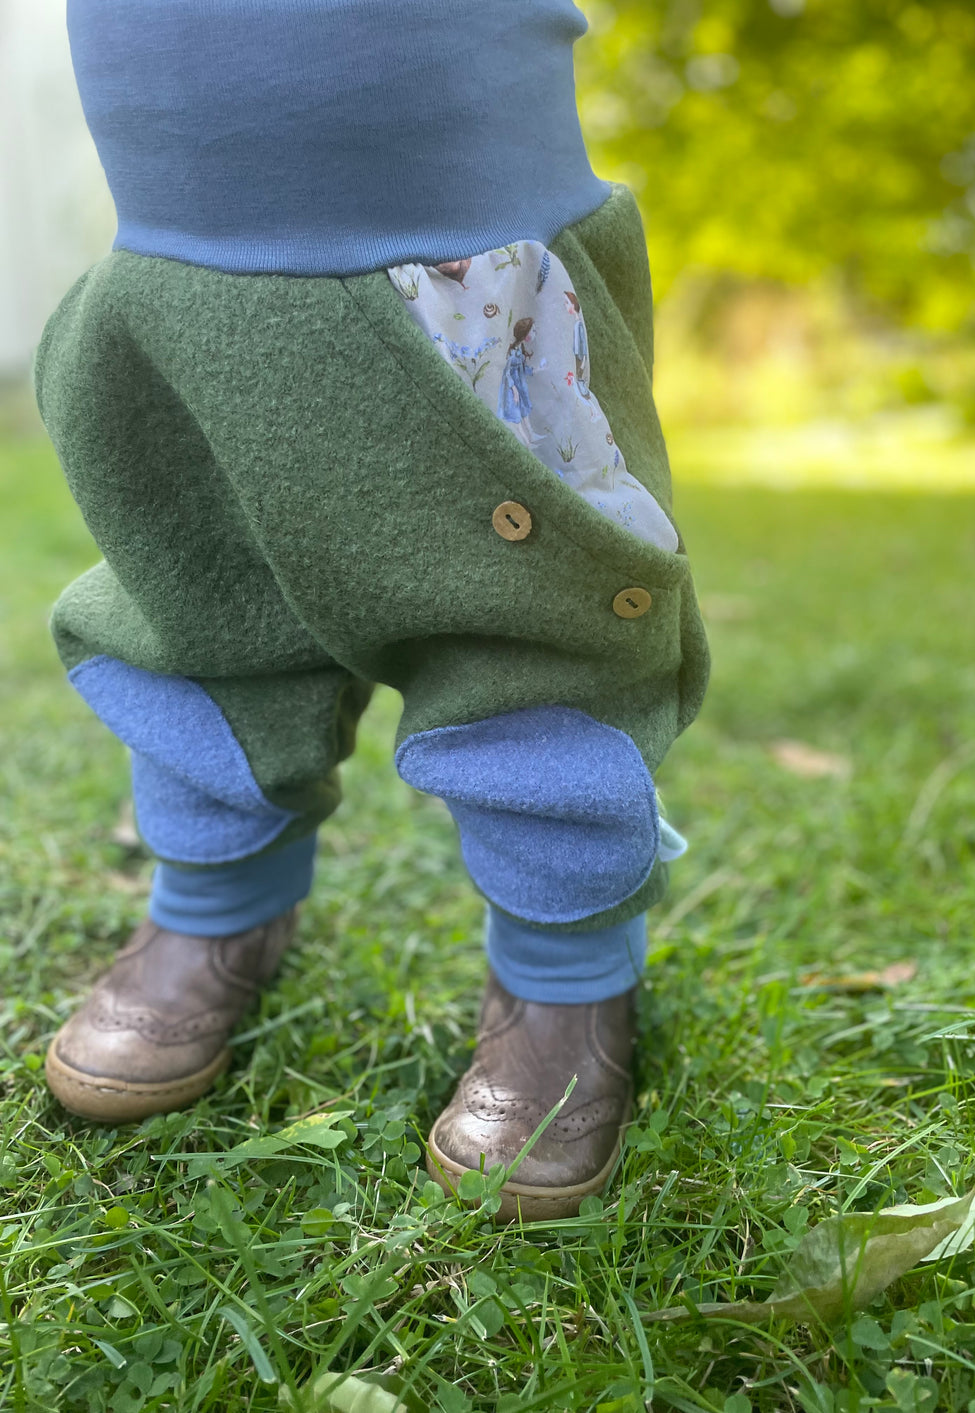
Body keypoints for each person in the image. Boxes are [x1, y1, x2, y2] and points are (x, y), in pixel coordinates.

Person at [37, 0, 709, 1222]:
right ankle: (213, 914)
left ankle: (565, 984)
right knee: (197, 614)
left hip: (469, 260)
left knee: (534, 639)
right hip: (182, 260)